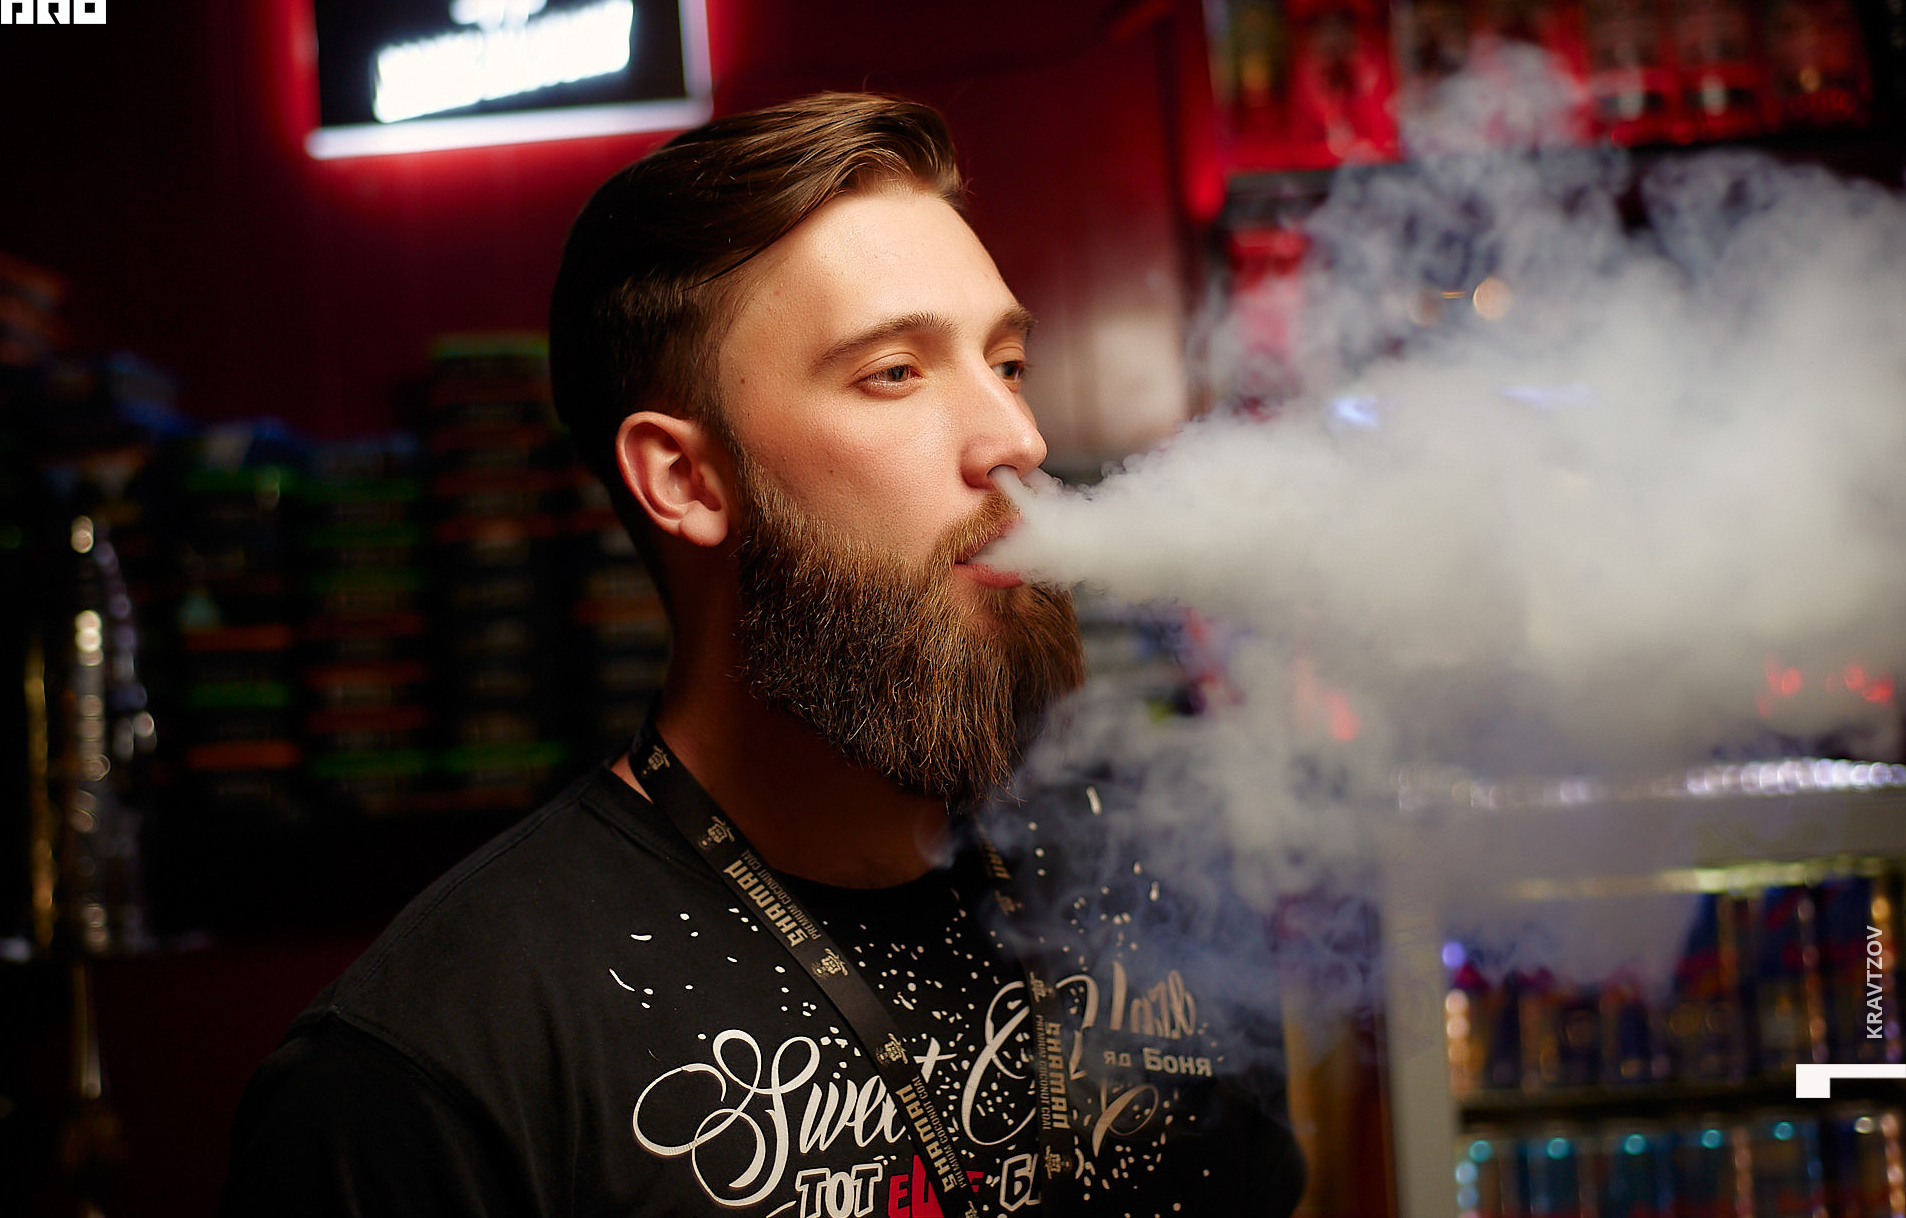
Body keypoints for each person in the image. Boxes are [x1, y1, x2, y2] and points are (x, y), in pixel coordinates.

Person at [222, 93, 1305, 1217]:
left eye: (1010, 363)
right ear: (686, 480)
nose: (1017, 440)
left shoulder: (1164, 897)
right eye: (896, 372)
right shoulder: (429, 1070)